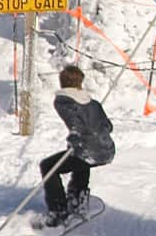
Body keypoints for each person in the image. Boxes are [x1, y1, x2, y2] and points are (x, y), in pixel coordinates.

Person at [37, 65, 115, 227]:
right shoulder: (92, 102)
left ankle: (57, 212)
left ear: (62, 82)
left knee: (48, 166)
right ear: (80, 82)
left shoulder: (63, 101)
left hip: (89, 150)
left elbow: (75, 126)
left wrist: (75, 138)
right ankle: (77, 199)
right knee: (80, 160)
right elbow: (108, 126)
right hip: (106, 151)